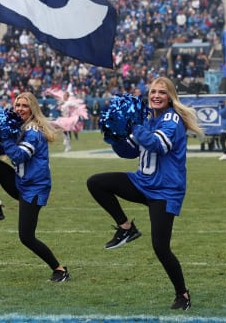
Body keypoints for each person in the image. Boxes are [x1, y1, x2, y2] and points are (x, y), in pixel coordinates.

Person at [86, 76, 202, 310]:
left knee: (160, 246)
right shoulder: (149, 118)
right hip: (143, 182)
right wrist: (116, 136)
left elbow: (158, 145)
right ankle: (126, 228)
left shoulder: (172, 119)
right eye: (153, 92)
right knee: (97, 183)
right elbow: (130, 152)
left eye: (162, 92)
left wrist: (134, 125)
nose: (156, 96)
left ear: (170, 97)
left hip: (165, 190)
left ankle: (183, 294)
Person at [0, 92, 70, 283]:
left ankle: (60, 269)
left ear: (32, 108)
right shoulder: (21, 126)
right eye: (17, 105)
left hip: (34, 188)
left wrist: (5, 137)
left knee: (26, 237)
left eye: (24, 106)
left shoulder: (33, 131)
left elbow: (19, 156)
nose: (19, 109)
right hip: (22, 182)